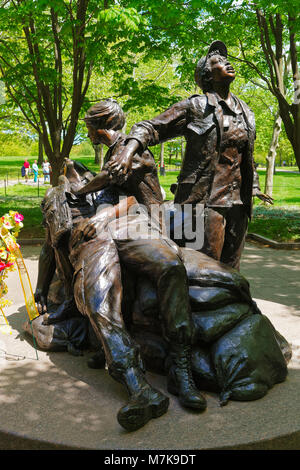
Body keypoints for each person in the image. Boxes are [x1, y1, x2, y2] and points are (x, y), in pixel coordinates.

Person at [36, 99, 207, 432]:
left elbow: (112, 183)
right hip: (113, 226)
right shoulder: (111, 152)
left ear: (99, 128)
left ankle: (180, 366)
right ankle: (108, 346)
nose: (87, 133)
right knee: (104, 283)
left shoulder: (132, 149)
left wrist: (80, 190)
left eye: (88, 127)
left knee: (170, 265)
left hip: (143, 222)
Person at [108, 40, 272, 270]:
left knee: (232, 268)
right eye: (218, 61)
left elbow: (247, 155)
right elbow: (149, 127)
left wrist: (253, 186)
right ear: (207, 75)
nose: (227, 62)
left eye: (227, 59)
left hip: (239, 201)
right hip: (205, 199)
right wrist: (126, 153)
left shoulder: (246, 111)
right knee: (207, 265)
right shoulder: (195, 107)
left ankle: (237, 305)